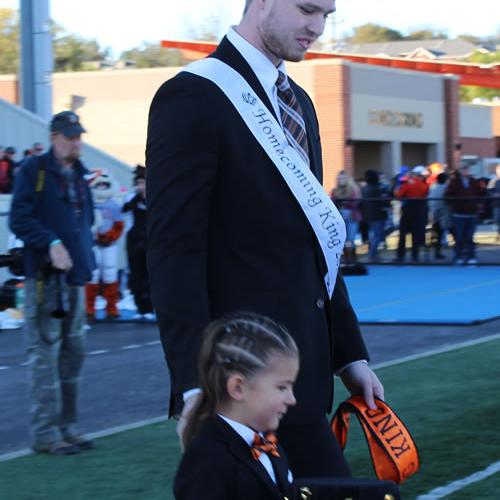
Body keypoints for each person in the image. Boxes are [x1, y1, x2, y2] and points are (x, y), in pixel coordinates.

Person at [146, 0, 383, 479]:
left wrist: (349, 354)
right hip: (238, 389)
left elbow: (316, 246)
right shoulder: (192, 96)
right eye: (306, 8)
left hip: (304, 381)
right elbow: (174, 250)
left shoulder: (300, 102)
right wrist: (195, 385)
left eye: (326, 14)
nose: (316, 27)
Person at [9, 110, 95, 455]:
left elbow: (82, 223)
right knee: (45, 355)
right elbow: (19, 218)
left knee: (73, 355)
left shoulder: (80, 174)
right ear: (54, 137)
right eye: (70, 136)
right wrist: (51, 242)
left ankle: (68, 427)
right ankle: (46, 434)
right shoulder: (33, 170)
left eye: (78, 136)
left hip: (74, 277)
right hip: (45, 279)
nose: (77, 142)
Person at [175, 312, 298, 499]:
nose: (292, 399)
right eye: (282, 387)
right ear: (238, 387)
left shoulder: (267, 442)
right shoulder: (207, 460)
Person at [85, 171, 124, 319]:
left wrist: (109, 237)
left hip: (109, 244)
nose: (101, 188)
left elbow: (119, 225)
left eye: (104, 185)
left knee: (110, 273)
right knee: (92, 275)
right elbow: (84, 225)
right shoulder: (88, 205)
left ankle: (111, 307)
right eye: (99, 185)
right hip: (93, 244)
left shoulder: (113, 205)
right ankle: (89, 308)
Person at [122, 165, 154, 319]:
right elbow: (124, 211)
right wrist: (136, 196)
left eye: (144, 182)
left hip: (151, 240)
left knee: (150, 274)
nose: (141, 186)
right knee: (136, 274)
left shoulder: (155, 198)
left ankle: (149, 307)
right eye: (139, 183)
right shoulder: (132, 199)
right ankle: (139, 307)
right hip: (135, 240)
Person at [445, 164, 481, 265]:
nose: (465, 171)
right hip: (458, 214)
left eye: (467, 169)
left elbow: (482, 193)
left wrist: (478, 205)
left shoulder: (474, 182)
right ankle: (458, 257)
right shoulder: (454, 182)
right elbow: (447, 195)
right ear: (460, 171)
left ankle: (471, 257)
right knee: (459, 237)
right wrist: (455, 205)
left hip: (472, 213)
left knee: (470, 237)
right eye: (463, 169)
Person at [395, 166, 429, 262]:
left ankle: (400, 255)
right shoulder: (424, 185)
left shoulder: (407, 184)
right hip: (419, 211)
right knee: (415, 234)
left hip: (407, 211)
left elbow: (399, 195)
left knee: (403, 234)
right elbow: (425, 193)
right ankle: (415, 255)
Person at [330, 170, 361, 264]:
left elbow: (355, 202)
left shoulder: (353, 190)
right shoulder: (335, 191)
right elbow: (331, 202)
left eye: (343, 178)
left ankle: (353, 261)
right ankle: (345, 261)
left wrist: (344, 203)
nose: (341, 180)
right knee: (342, 240)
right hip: (339, 218)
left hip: (352, 217)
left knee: (350, 240)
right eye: (339, 178)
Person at [360, 169, 392, 261]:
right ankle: (373, 255)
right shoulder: (377, 188)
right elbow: (383, 200)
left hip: (369, 215)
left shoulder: (365, 189)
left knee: (375, 235)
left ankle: (373, 253)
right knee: (378, 235)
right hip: (378, 215)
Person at [428, 172, 449, 259]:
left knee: (438, 234)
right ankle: (459, 252)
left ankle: (437, 252)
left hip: (434, 213)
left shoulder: (433, 187)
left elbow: (429, 200)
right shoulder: (445, 188)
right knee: (443, 232)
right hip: (443, 213)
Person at [488, 164, 500, 240]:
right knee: (497, 220)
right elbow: (489, 192)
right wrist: (494, 194)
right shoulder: (493, 181)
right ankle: (498, 233)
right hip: (496, 205)